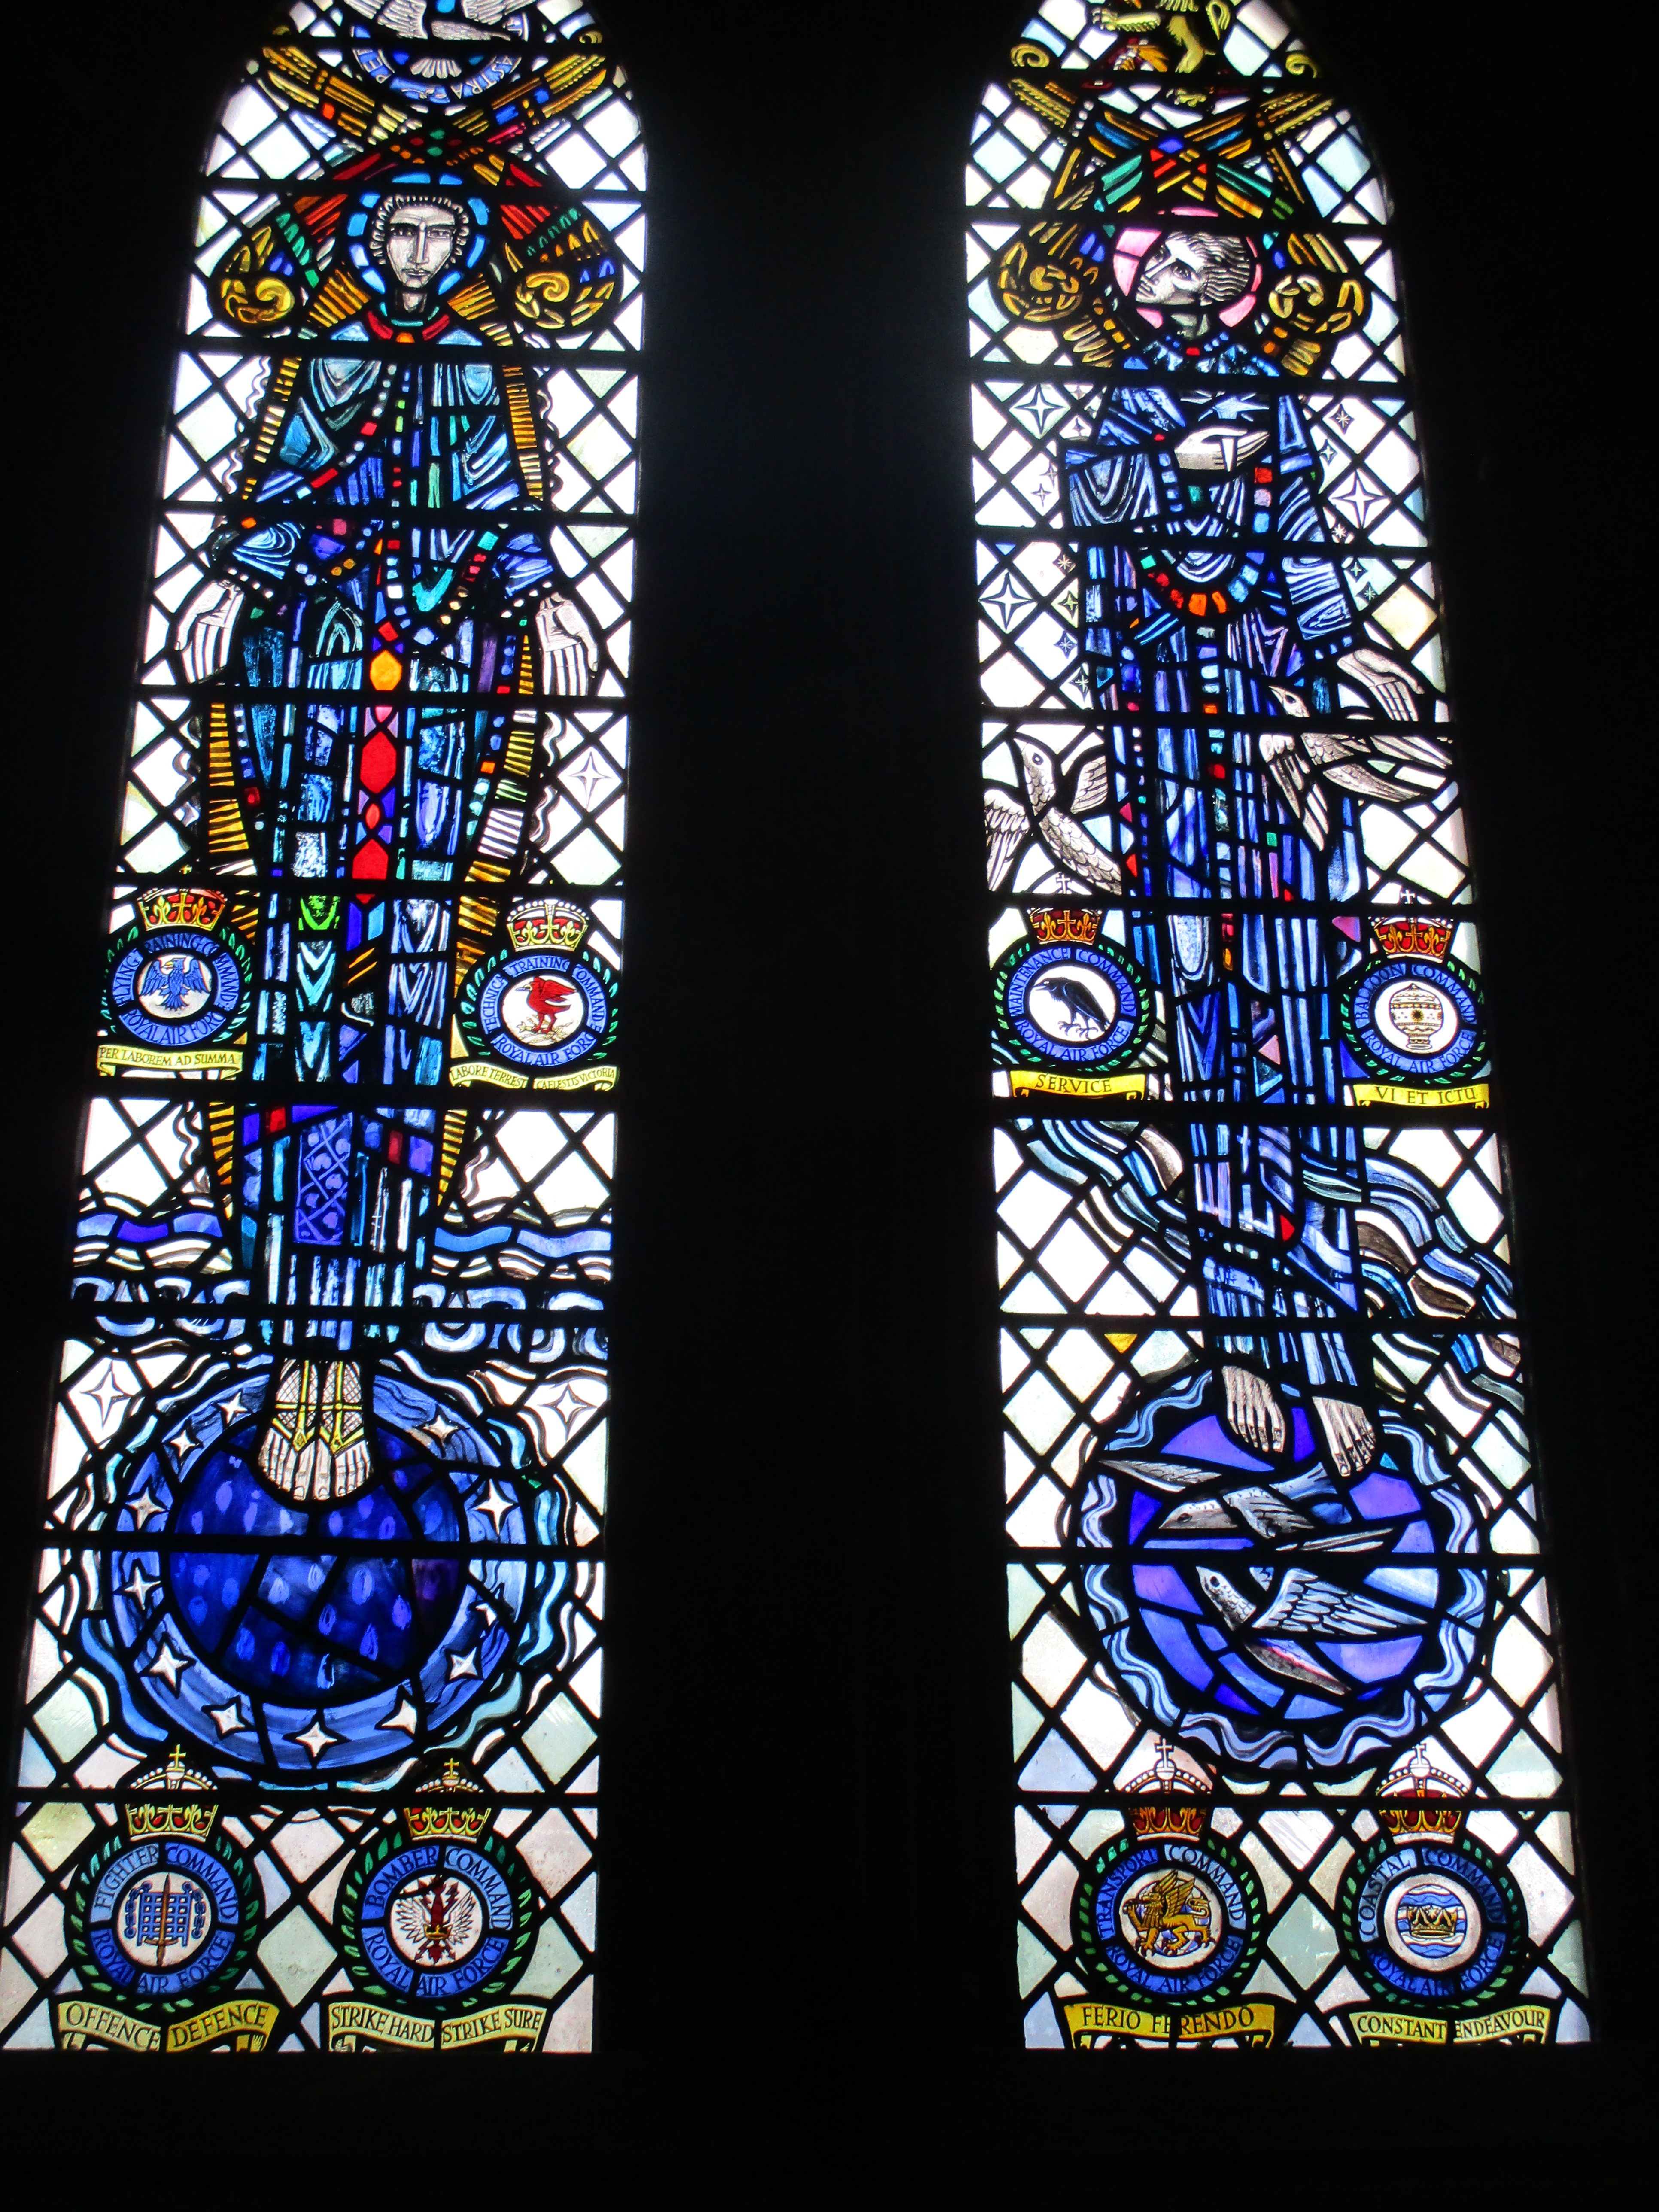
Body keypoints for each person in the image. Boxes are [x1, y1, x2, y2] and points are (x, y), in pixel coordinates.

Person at [172, 188, 596, 1501]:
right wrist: (238, 577)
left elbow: (506, 513)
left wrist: (545, 594)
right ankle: (289, 1313)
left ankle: (368, 1315)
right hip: (320, 701)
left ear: (463, 254)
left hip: (438, 719)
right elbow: (280, 490)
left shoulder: (480, 362)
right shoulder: (329, 354)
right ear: (371, 247)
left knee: (412, 982)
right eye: (399, 235)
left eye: (439, 240)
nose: (417, 255)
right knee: (302, 995)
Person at [1062, 226, 1434, 1478]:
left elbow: (1309, 541)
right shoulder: (1129, 395)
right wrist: (1175, 462)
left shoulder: (1270, 392)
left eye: (1189, 266)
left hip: (1275, 715)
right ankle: (1240, 1339)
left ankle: (1333, 1347)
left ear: (1232, 288)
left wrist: (1351, 647)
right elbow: (1089, 501)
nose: (1161, 280)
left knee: (1301, 1020)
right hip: (1170, 723)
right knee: (1205, 1023)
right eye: (1154, 265)